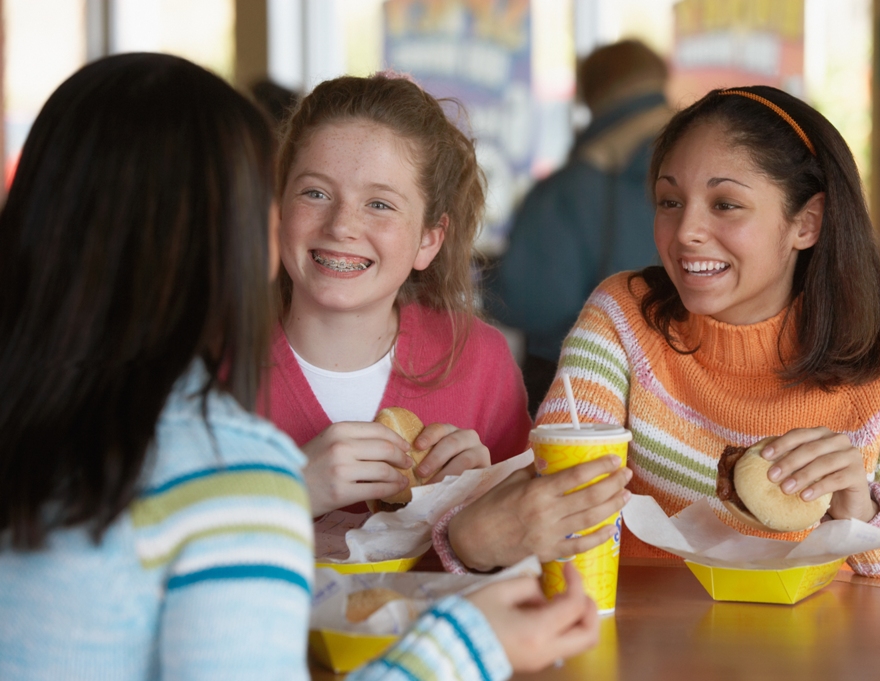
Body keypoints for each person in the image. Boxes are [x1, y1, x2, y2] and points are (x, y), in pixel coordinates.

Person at [0, 53, 600, 680]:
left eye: (380, 205)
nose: (340, 225)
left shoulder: (55, 419)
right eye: (293, 194)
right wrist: (472, 646)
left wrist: (474, 517)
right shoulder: (227, 462)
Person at [536, 85, 880, 593]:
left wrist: (862, 522)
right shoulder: (622, 316)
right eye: (670, 201)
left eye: (726, 204)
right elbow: (554, 506)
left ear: (806, 223)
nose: (686, 230)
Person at [263, 73, 533, 517]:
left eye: (380, 204)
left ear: (429, 239)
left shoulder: (480, 362)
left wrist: (485, 508)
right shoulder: (211, 366)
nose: (341, 226)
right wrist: (287, 495)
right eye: (315, 193)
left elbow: (532, 559)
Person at [491, 39, 672, 415]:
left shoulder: (569, 189)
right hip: (678, 390)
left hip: (573, 395)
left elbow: (530, 303)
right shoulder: (698, 171)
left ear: (590, 94)